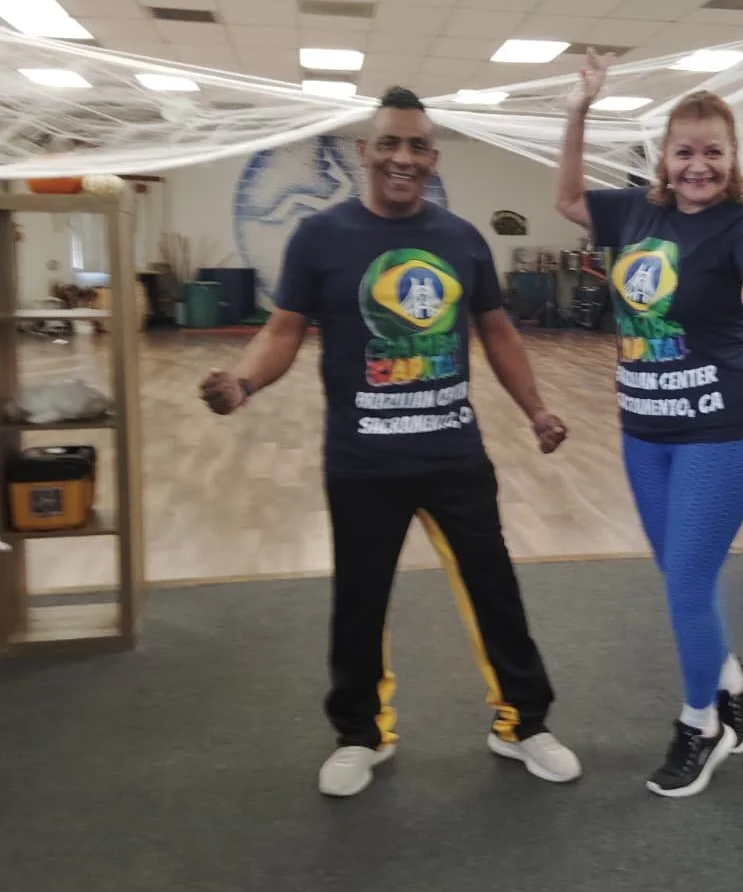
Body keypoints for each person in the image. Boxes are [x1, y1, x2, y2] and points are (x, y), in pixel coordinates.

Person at [201, 87, 581, 798]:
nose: (402, 157)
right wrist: (245, 384)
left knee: (494, 590)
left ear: (432, 158)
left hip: (453, 453)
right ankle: (361, 735)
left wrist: (536, 408)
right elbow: (283, 331)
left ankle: (522, 724)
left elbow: (497, 332)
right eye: (390, 144)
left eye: (416, 146)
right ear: (364, 152)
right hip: (363, 458)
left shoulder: (462, 239)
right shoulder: (320, 237)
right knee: (360, 602)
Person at [556, 54, 743, 799]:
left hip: (721, 429)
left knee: (687, 586)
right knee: (679, 576)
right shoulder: (637, 213)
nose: (698, 164)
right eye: (685, 150)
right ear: (664, 158)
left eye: (713, 151)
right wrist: (578, 110)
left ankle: (704, 723)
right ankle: (733, 679)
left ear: (732, 161)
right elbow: (568, 196)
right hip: (645, 430)